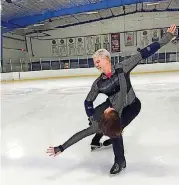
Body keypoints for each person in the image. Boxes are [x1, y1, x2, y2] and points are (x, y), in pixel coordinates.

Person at [46, 24, 176, 175]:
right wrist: (90, 116)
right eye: (94, 62)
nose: (95, 65)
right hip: (112, 106)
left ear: (106, 59)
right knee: (98, 121)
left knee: (115, 132)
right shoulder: (98, 83)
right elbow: (88, 101)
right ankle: (98, 137)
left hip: (132, 106)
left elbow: (146, 52)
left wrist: (167, 37)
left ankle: (120, 161)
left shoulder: (123, 67)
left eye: (97, 61)